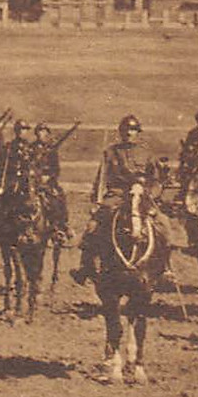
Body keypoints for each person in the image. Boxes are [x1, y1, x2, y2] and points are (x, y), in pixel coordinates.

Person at [71, 114, 168, 284]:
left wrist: (150, 193)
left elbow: (156, 180)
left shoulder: (146, 153)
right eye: (126, 130)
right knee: (92, 227)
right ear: (121, 132)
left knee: (164, 224)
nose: (129, 133)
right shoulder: (111, 152)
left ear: (138, 132)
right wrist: (97, 202)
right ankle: (85, 267)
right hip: (117, 195)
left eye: (133, 130)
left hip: (142, 195)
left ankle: (166, 269)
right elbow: (101, 179)